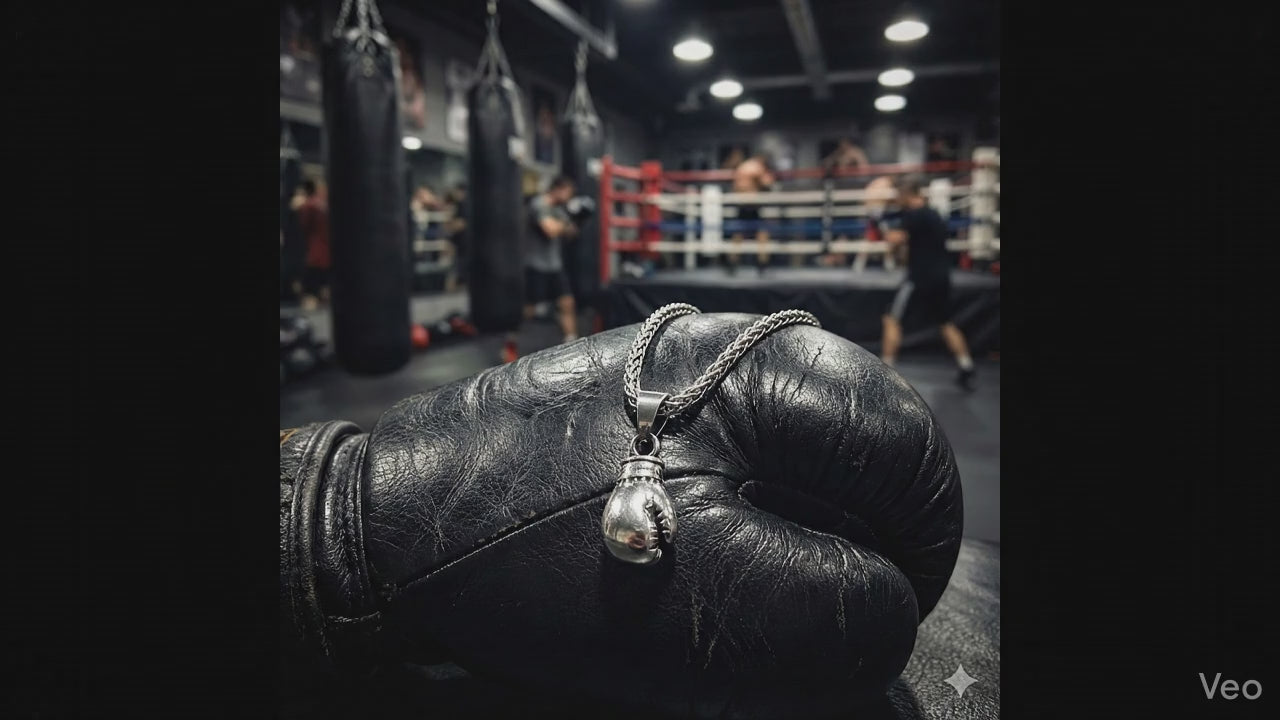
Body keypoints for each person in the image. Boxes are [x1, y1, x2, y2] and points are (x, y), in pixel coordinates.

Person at [879, 175, 976, 390]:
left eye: (899, 196)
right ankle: (966, 365)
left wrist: (883, 224)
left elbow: (895, 241)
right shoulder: (935, 215)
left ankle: (885, 373)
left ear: (907, 194)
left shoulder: (913, 216)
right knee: (946, 322)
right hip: (942, 277)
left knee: (892, 319)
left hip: (919, 278)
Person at [502, 175, 580, 363]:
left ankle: (573, 345)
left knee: (567, 303)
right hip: (536, 266)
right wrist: (567, 221)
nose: (568, 198)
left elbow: (571, 233)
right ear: (557, 189)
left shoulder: (558, 209)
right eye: (567, 193)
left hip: (554, 266)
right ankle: (510, 343)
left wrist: (577, 218)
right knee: (528, 310)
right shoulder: (540, 205)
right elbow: (550, 231)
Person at [730, 149, 777, 275]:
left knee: (738, 235)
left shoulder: (743, 166)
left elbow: (736, 186)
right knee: (761, 234)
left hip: (742, 203)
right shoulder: (756, 167)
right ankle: (762, 266)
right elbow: (767, 184)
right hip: (752, 204)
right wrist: (767, 182)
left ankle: (732, 265)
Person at [296, 179, 331, 311]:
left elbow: (303, 226)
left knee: (310, 289)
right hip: (325, 252)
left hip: (315, 253)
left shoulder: (308, 206)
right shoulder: (322, 204)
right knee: (323, 284)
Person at [443, 183, 469, 292]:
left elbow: (460, 224)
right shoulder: (460, 205)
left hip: (464, 245)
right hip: (460, 245)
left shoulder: (464, 205)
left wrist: (450, 225)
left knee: (456, 273)